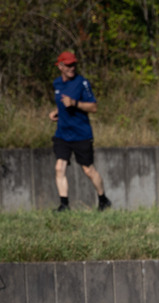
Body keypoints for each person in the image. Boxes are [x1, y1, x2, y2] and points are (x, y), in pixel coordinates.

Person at [48, 51, 111, 212]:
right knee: (59, 167)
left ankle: (103, 200)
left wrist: (75, 103)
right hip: (62, 133)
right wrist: (56, 112)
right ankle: (64, 205)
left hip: (81, 134)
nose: (72, 68)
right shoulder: (57, 83)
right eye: (68, 65)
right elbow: (62, 103)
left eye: (74, 64)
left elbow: (94, 107)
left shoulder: (82, 83)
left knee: (88, 170)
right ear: (60, 66)